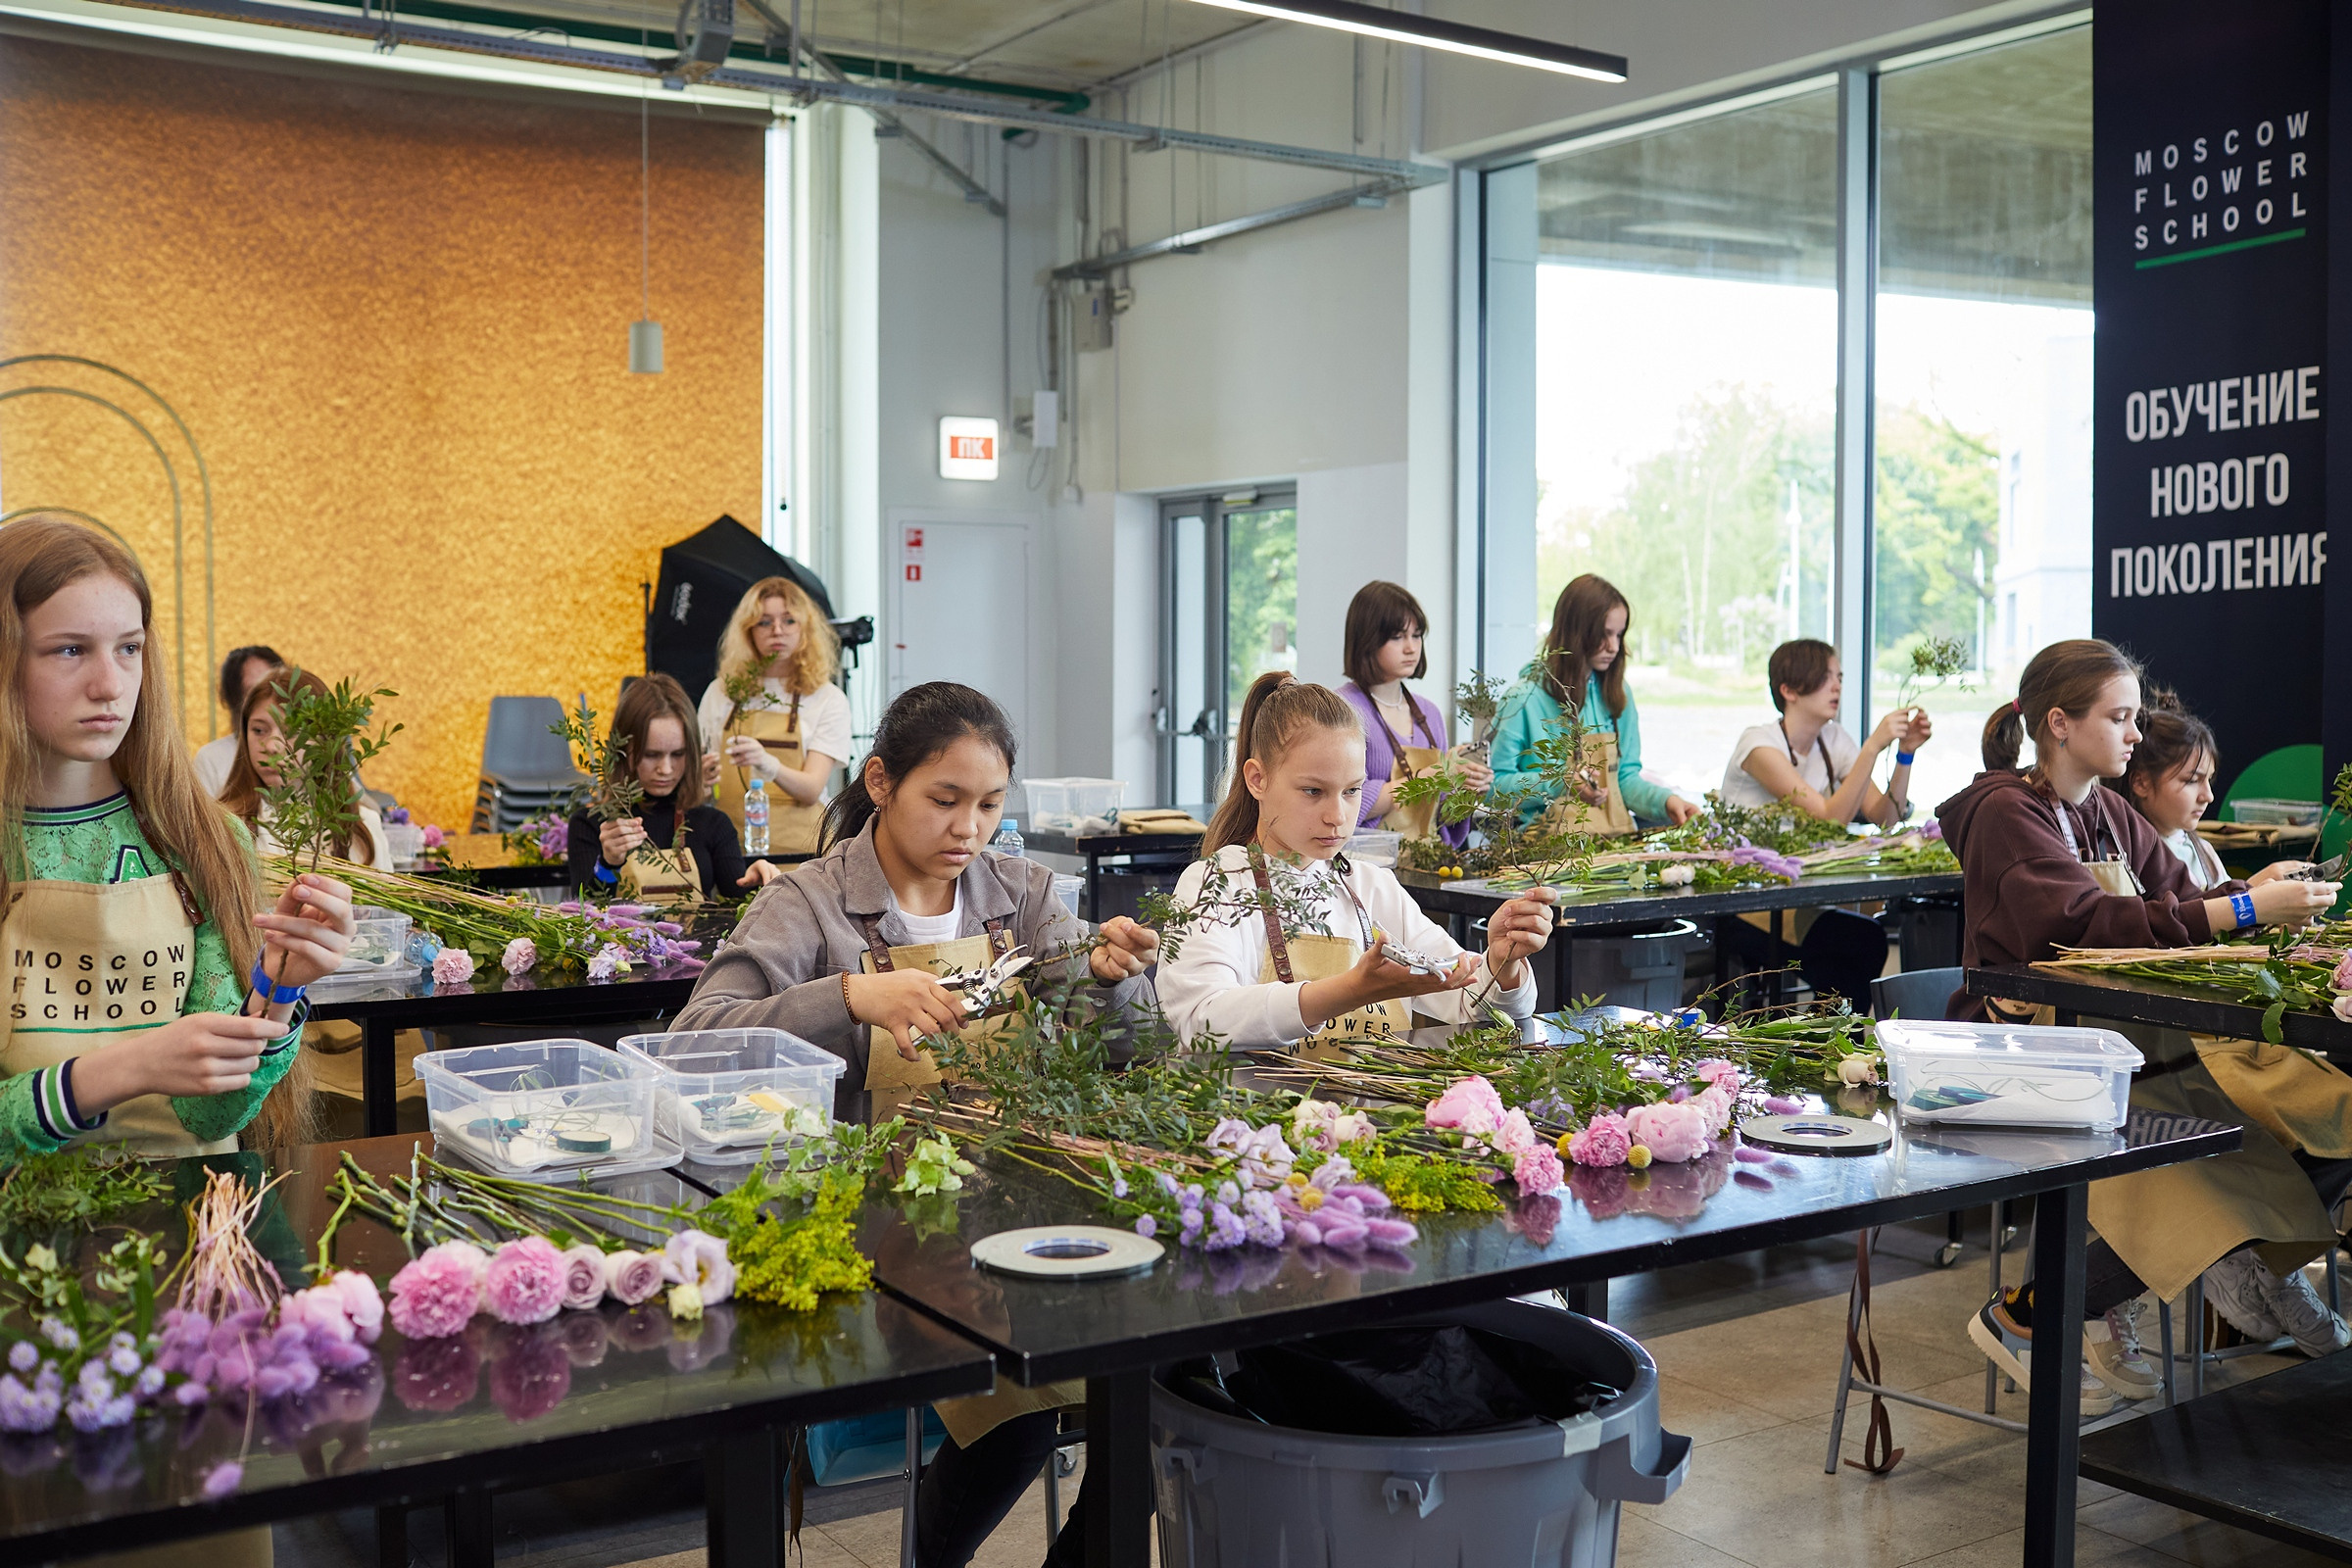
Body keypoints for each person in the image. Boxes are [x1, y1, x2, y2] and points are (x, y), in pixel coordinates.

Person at [671, 681, 1157, 1568]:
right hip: (869, 1214)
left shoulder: (1021, 894)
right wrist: (850, 994)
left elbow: (1134, 1048)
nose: (969, 828)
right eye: (945, 799)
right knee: (1017, 1402)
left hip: (1010, 1201)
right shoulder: (809, 902)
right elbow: (695, 1040)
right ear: (882, 782)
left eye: (989, 804)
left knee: (1159, 1386)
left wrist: (1115, 978)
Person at [1937, 640, 2345, 1411]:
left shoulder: (2103, 807)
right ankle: (2037, 1312)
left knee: (2316, 1120)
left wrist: (2260, 900)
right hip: (2032, 1057)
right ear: (2058, 723)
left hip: (2122, 1050)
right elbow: (2085, 921)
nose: (2134, 734)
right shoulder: (2005, 811)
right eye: (2119, 718)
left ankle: (2250, 1262)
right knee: (2208, 1171)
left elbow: (2175, 896)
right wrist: (2248, 909)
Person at [0, 515, 355, 1170]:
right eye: (70, 650)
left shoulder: (206, 836)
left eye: (128, 648)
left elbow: (209, 1115)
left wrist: (274, 994)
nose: (110, 684)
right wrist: (122, 1068)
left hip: (186, 1226)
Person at [2113, 686, 2350, 1354]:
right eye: (2191, 781)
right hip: (2190, 1046)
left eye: (2210, 780)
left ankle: (2262, 1255)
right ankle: (2245, 1249)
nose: (2206, 797)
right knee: (2311, 1110)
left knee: (2342, 1107)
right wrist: (2252, 908)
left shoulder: (2200, 852)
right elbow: (2178, 948)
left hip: (2230, 1032)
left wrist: (2264, 896)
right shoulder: (2125, 867)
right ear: (2140, 785)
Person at [1156, 673, 1555, 1052]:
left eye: (1352, 791)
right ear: (1257, 779)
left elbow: (1474, 1005)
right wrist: (1353, 990)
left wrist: (1502, 964)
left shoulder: (1373, 887)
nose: (1338, 815)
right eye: (1313, 791)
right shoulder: (1215, 884)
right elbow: (1202, 1022)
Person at [1491, 574, 1697, 832]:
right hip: (1542, 857)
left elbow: (1623, 779)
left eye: (1619, 635)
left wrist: (1667, 801)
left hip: (1609, 846)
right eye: (1604, 634)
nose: (1613, 646)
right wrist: (1559, 782)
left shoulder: (1618, 693)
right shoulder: (1523, 698)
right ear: (1575, 632)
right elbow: (1494, 787)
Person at [567, 674, 776, 901]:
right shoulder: (592, 825)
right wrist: (608, 864)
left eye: (678, 754)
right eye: (651, 755)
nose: (665, 769)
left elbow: (739, 901)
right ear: (622, 751)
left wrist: (758, 883)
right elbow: (586, 910)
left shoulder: (712, 824)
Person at [696, 576, 850, 856]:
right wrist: (701, 782)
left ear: (806, 629)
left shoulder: (827, 698)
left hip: (803, 857)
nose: (777, 631)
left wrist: (769, 764)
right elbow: (701, 791)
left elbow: (812, 788)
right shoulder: (721, 693)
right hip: (729, 855)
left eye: (789, 621)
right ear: (748, 630)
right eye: (764, 622)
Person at [1337, 580, 1490, 847]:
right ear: (1367, 640)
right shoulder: (1342, 710)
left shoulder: (1429, 713)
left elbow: (1438, 816)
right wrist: (1437, 773)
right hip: (1365, 866)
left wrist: (1465, 792)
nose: (1411, 648)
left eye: (1416, 635)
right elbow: (1344, 802)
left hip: (1426, 861)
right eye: (1397, 637)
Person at [1719, 638, 1931, 826]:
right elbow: (1830, 819)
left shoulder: (1834, 739)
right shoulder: (1758, 745)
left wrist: (1905, 753)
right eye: (1824, 678)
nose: (1836, 687)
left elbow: (1885, 819)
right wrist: (1872, 747)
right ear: (1789, 691)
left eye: (1839, 678)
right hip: (1743, 866)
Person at [219, 666, 394, 870]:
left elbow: (381, 902)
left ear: (324, 741)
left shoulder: (363, 826)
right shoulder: (225, 825)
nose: (272, 746)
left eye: (292, 732)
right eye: (259, 730)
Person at [193, 642, 284, 798]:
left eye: (274, 687)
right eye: (255, 691)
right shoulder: (212, 759)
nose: (268, 698)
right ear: (234, 700)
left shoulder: (304, 748)